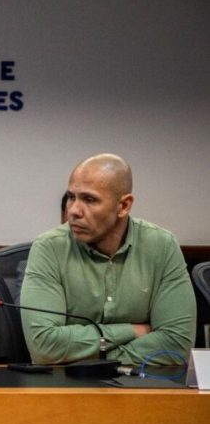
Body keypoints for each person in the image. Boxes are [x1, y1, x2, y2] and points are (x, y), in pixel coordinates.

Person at [20, 153, 196, 366]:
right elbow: (44, 347)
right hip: (68, 388)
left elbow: (176, 346)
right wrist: (132, 331)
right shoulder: (49, 247)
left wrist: (97, 359)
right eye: (71, 197)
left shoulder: (162, 246)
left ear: (124, 206)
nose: (74, 211)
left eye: (89, 199)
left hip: (142, 388)